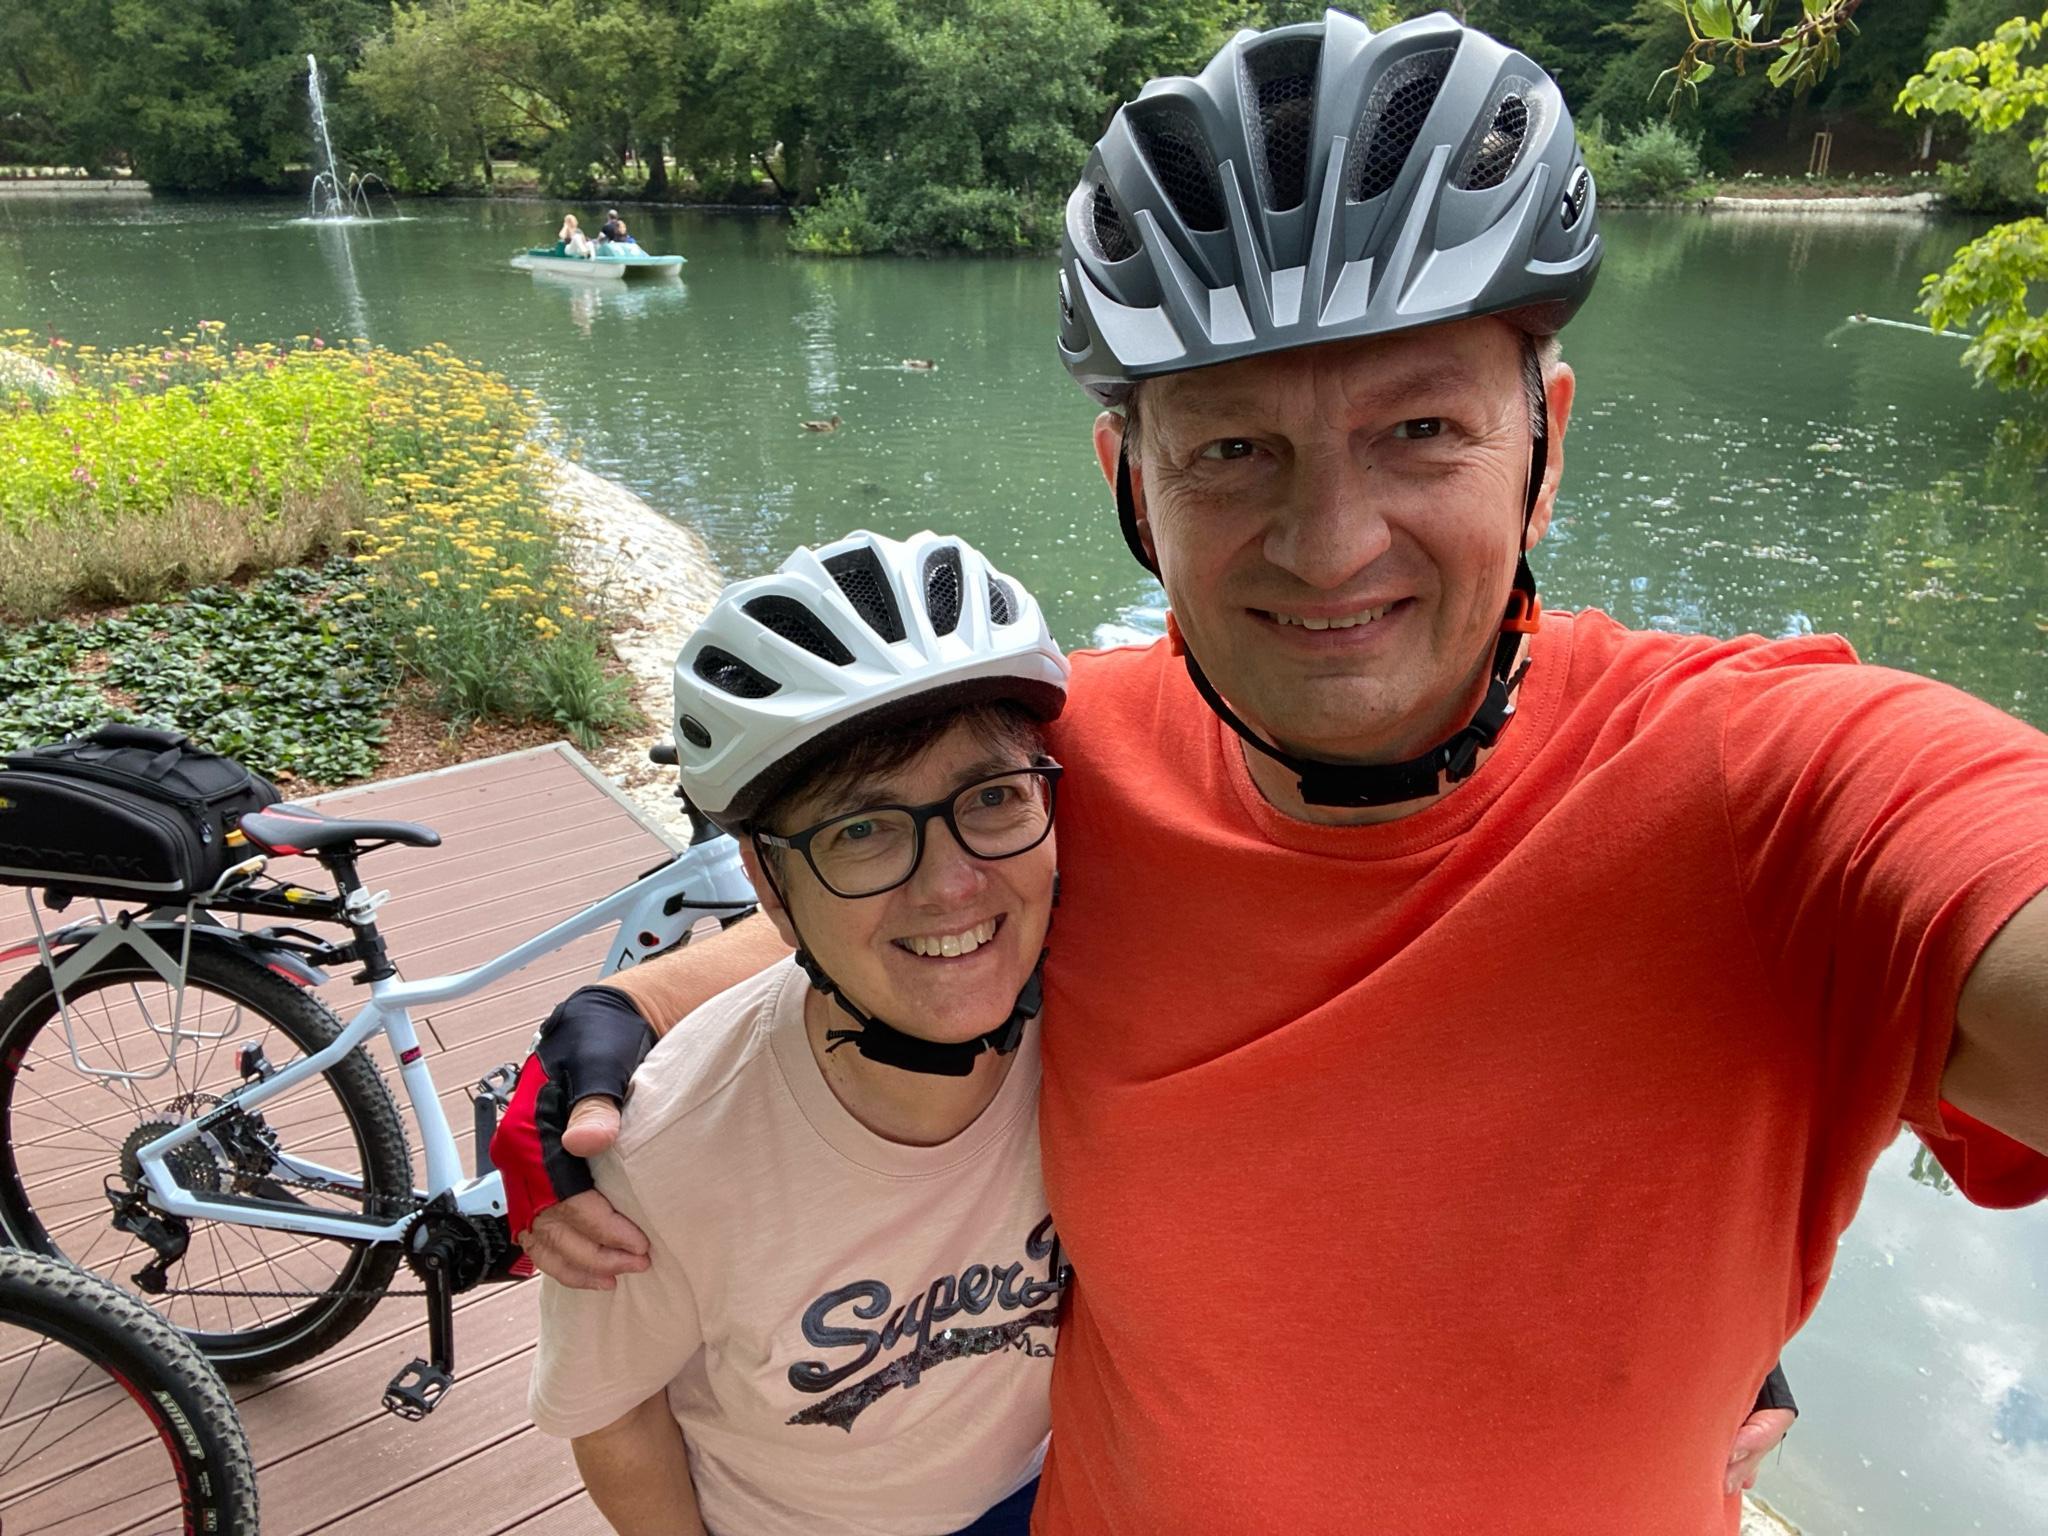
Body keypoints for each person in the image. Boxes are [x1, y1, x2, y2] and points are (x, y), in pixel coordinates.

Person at [496, 11, 2048, 1531]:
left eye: (1420, 428)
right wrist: (629, 1014)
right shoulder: (1069, 762)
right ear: (1132, 487)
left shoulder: (1774, 788)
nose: (1329, 546)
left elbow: (1985, 882)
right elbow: (918, 890)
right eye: (1233, 451)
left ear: (1545, 448)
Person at [530, 530, 1069, 1536]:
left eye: (992, 797)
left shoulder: (1105, 998)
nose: (952, 884)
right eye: (861, 829)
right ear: (769, 885)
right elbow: (612, 1411)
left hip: (1057, 1488)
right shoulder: (666, 1156)